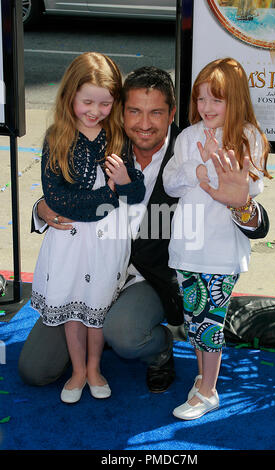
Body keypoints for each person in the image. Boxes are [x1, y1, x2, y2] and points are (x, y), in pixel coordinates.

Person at [19, 65, 269, 395]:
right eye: (134, 111)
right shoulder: (100, 138)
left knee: (125, 332)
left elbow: (256, 221)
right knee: (35, 369)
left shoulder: (193, 147)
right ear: (121, 111)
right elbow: (69, 186)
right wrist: (41, 208)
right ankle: (97, 340)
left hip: (146, 278)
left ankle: (160, 347)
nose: (144, 123)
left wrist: (242, 205)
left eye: (156, 112)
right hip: (87, 270)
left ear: (172, 113)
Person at [30, 52, 145, 404]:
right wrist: (105, 201)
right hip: (68, 242)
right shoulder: (57, 137)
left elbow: (136, 192)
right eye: (87, 102)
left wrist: (123, 182)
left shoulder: (118, 138)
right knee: (71, 308)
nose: (95, 111)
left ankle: (94, 367)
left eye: (105, 103)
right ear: (70, 97)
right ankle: (78, 370)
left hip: (105, 244)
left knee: (96, 310)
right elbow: (57, 198)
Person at [162, 57, 271, 420]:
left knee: (211, 322)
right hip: (186, 247)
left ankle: (208, 391)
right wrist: (197, 166)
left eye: (216, 100)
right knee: (196, 319)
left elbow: (248, 188)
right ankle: (202, 377)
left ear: (235, 100)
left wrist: (213, 163)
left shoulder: (248, 137)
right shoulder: (188, 136)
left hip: (221, 251)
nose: (205, 108)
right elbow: (170, 183)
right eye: (201, 99)